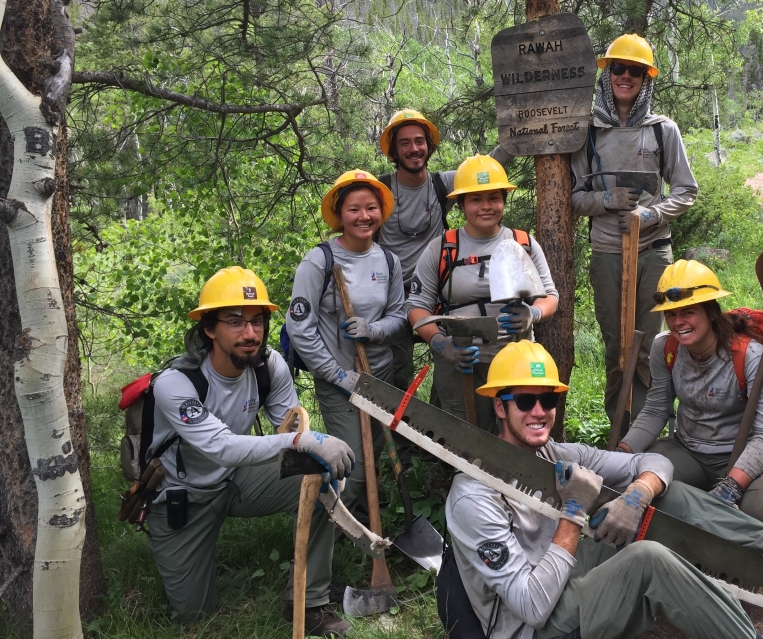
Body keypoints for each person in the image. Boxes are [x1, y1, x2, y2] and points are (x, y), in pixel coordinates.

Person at [442, 340, 763, 639]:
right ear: (500, 408)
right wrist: (574, 514)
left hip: (567, 573)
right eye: (524, 401)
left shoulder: (558, 454)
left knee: (667, 498)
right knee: (648, 558)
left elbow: (653, 461)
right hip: (534, 625)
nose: (539, 411)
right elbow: (533, 606)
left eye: (549, 400)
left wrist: (638, 493)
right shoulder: (472, 497)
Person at [147, 267, 354, 636]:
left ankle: (309, 601)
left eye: (258, 321)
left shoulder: (268, 365)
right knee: (194, 617)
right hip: (185, 497)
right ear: (209, 328)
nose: (250, 333)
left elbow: (288, 428)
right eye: (234, 322)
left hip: (237, 480)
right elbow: (223, 446)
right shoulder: (176, 383)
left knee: (323, 479)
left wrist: (309, 443)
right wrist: (299, 441)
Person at [617, 259, 763, 536]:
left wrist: (732, 485)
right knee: (631, 485)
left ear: (711, 312)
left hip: (745, 452)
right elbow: (656, 411)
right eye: (671, 314)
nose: (678, 322)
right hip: (687, 450)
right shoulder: (665, 347)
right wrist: (620, 454)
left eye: (689, 312)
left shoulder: (749, 356)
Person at [569, 33, 699, 425]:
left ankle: (648, 429)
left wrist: (651, 216)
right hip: (607, 253)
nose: (626, 77)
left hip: (653, 252)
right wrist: (604, 202)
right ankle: (619, 433)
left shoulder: (663, 130)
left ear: (646, 79)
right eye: (618, 69)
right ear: (607, 75)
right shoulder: (586, 132)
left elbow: (686, 190)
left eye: (636, 71)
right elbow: (573, 197)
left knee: (647, 347)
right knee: (616, 348)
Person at [406, 154, 559, 430]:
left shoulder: (523, 243)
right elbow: (416, 308)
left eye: (494, 197)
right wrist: (441, 344)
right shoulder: (442, 249)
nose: (486, 206)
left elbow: (550, 296)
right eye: (476, 199)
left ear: (504, 200)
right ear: (462, 204)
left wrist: (533, 313)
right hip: (461, 364)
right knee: (465, 439)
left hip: (515, 361)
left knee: (515, 435)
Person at [287, 169, 406, 522]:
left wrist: (373, 329)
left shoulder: (388, 261)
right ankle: (319, 533)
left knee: (375, 456)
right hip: (338, 380)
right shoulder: (319, 261)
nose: (364, 216)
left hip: (378, 375)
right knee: (350, 465)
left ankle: (365, 530)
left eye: (371, 208)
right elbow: (300, 327)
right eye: (354, 209)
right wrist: (338, 375)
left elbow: (399, 315)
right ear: (339, 215)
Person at [375, 109, 514, 389]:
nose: (414, 149)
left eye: (419, 141)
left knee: (453, 363)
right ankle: (400, 430)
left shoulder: (443, 183)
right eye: (404, 143)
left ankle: (444, 417)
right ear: (393, 150)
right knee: (398, 374)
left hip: (437, 291)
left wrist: (518, 131)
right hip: (392, 295)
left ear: (429, 146)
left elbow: (488, 166)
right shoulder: (380, 191)